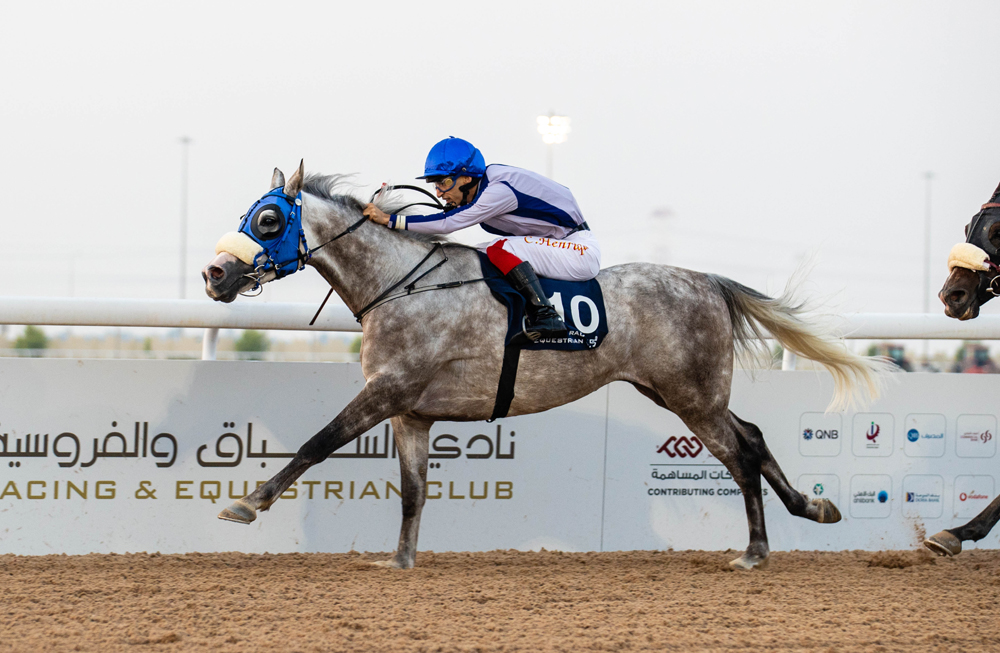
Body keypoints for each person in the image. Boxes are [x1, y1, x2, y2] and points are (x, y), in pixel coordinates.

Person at [363, 137, 600, 340]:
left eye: (444, 182)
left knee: (498, 248)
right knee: (477, 253)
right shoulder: (484, 185)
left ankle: (546, 315)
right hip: (561, 245)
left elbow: (449, 223)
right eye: (435, 184)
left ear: (466, 178)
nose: (438, 192)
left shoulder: (498, 191)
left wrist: (390, 219)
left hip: (577, 250)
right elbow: (451, 217)